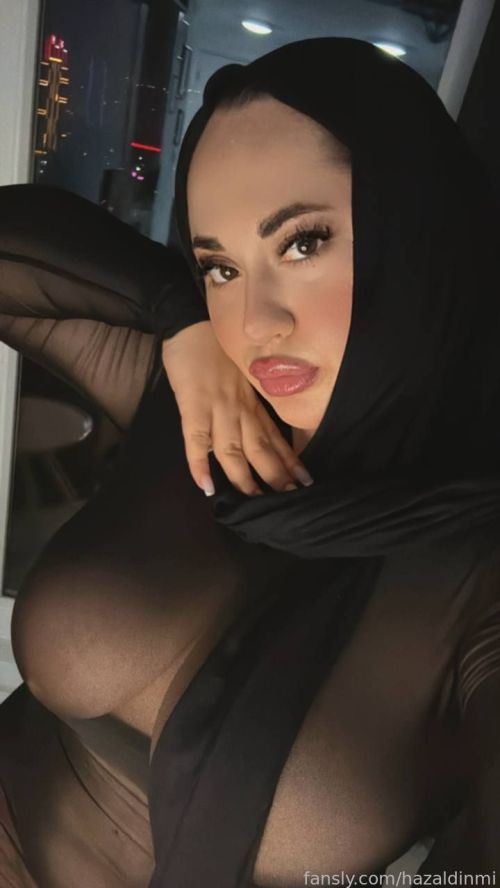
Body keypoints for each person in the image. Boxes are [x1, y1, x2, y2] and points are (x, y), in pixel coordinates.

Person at [1, 35, 500, 888]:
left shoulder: (479, 569)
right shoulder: (202, 401)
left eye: (303, 244)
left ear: (419, 234)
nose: (255, 323)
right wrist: (177, 317)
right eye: (221, 267)